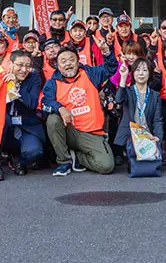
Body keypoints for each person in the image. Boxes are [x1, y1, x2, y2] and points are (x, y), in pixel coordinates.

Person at [41, 37, 119, 176]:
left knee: (106, 166)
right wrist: (60, 108)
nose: (68, 64)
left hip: (91, 132)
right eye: (63, 61)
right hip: (69, 130)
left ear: (78, 62)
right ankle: (64, 161)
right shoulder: (52, 83)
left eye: (71, 60)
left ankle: (77, 158)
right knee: (53, 119)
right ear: (58, 65)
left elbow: (111, 68)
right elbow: (46, 102)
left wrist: (106, 51)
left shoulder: (90, 74)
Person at [0, 50, 46, 180]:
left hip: (25, 125)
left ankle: (18, 160)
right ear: (10, 64)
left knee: (34, 151)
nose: (24, 70)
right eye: (20, 65)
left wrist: (16, 85)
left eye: (28, 66)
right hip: (4, 128)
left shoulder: (33, 78)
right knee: (3, 119)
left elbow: (32, 104)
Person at [114, 58, 164, 167]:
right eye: (137, 70)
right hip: (131, 135)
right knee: (135, 153)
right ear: (133, 73)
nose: (141, 73)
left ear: (150, 74)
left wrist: (158, 137)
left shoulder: (155, 95)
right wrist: (123, 77)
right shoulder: (128, 91)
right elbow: (118, 99)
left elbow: (157, 119)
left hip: (148, 134)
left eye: (145, 70)